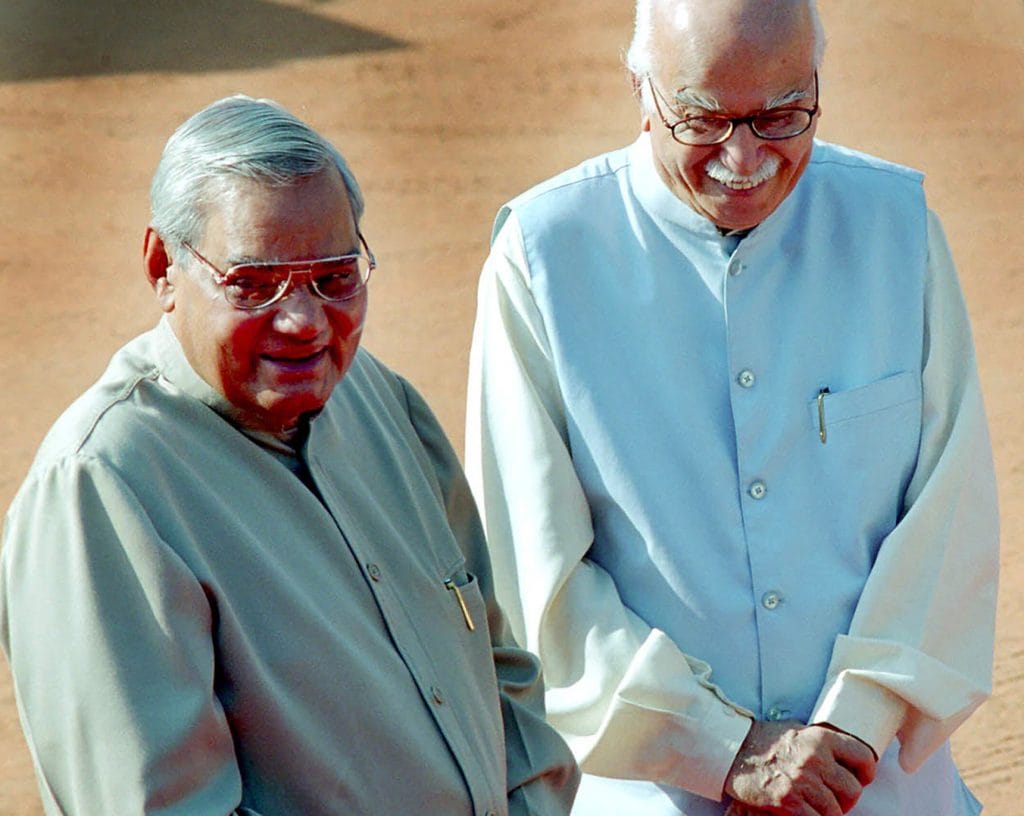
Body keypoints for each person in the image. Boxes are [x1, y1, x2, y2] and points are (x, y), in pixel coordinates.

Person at [464, 1, 999, 815]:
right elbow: (533, 573)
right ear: (641, 88)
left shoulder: (897, 232)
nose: (743, 157)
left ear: (817, 84)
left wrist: (848, 733)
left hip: (880, 787)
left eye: (782, 116)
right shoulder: (543, 259)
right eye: (704, 118)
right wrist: (721, 750)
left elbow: (948, 514)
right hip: (648, 793)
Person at [0, 95, 579, 816]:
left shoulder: (378, 401)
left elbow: (497, 674)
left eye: (335, 277)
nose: (304, 322)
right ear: (163, 268)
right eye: (253, 285)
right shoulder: (102, 489)